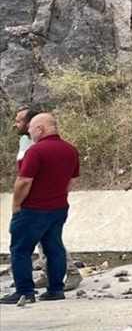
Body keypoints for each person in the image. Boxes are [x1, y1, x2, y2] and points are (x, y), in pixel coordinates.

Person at [1, 113, 80, 304]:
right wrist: (58, 194)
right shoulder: (70, 149)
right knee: (54, 248)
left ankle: (24, 292)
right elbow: (73, 179)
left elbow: (24, 181)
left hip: (33, 209)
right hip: (58, 208)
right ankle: (55, 290)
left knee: (20, 249)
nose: (29, 131)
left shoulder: (36, 151)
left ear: (40, 128)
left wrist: (16, 203)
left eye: (31, 128)